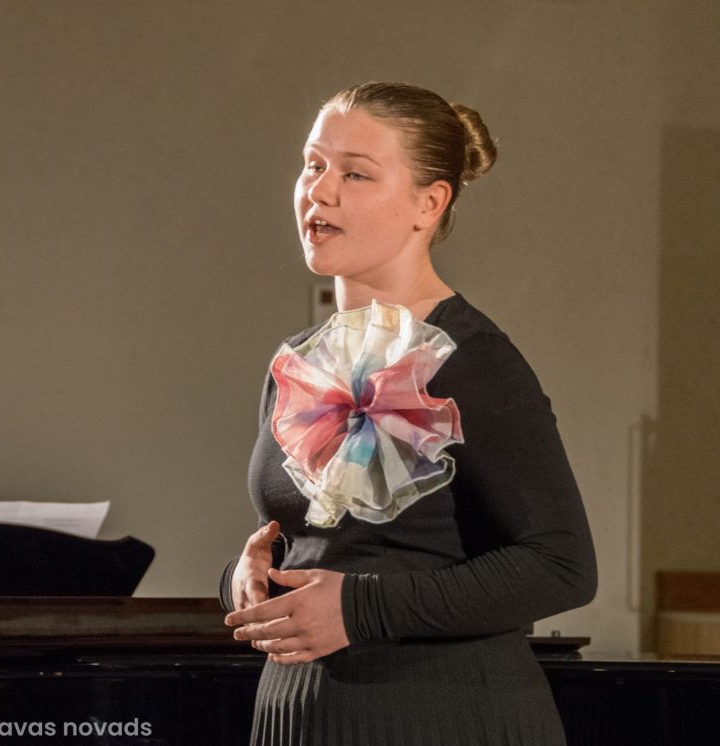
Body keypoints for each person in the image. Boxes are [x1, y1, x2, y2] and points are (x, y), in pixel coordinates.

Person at [221, 81, 597, 746]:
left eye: (356, 173)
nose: (320, 191)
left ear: (429, 203)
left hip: (439, 715)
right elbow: (318, 544)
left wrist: (360, 608)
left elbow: (560, 564)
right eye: (313, 164)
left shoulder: (473, 360)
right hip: (301, 716)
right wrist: (246, 580)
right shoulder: (297, 362)